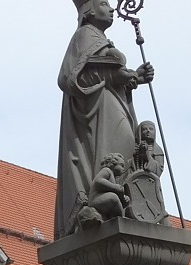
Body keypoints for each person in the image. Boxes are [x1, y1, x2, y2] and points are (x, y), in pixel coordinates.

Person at [54, 0, 153, 239]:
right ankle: (108, 204)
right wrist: (113, 74)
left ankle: (126, 204)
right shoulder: (84, 36)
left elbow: (111, 76)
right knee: (117, 150)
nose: (110, 9)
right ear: (88, 11)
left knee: (127, 149)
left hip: (111, 107)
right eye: (104, 3)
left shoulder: (100, 40)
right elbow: (70, 79)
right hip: (97, 115)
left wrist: (134, 78)